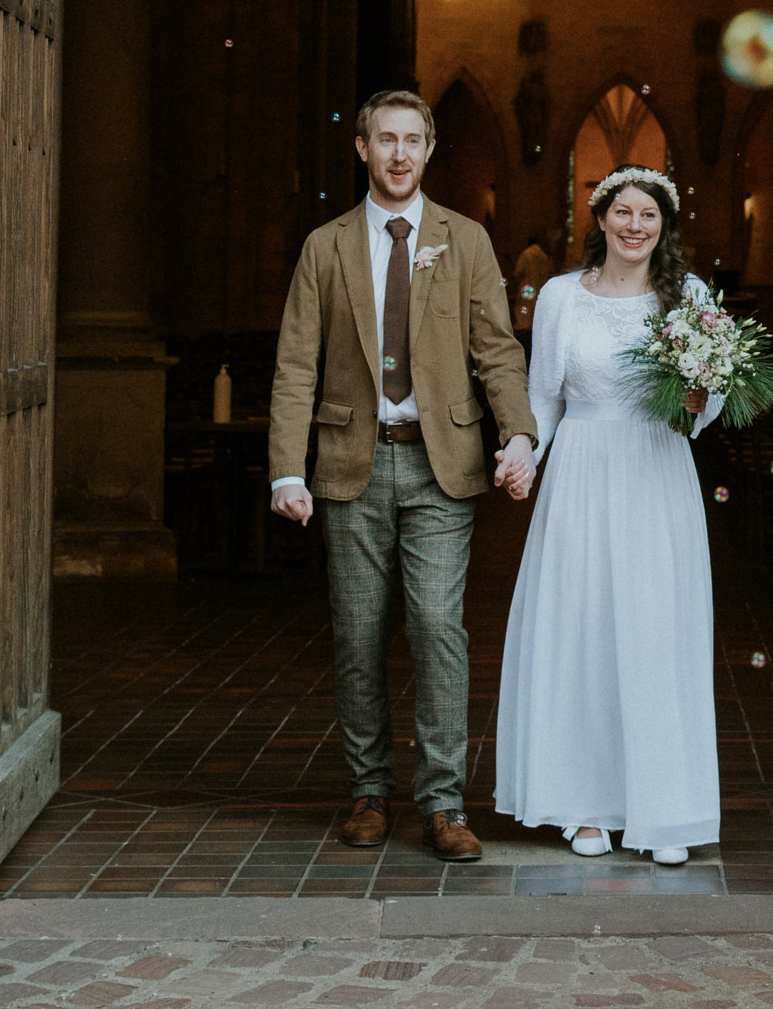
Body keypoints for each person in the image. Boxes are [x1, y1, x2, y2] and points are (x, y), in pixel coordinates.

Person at [268, 89, 537, 860]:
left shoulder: (467, 240)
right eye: (383, 139)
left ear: (428, 149)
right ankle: (367, 792)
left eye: (411, 140)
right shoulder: (326, 246)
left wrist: (517, 430)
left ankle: (445, 801)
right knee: (357, 636)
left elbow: (497, 348)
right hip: (350, 462)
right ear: (361, 148)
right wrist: (288, 466)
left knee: (436, 628)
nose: (397, 154)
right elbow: (295, 364)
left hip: (440, 464)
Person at [495, 166, 721, 865]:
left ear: (664, 226)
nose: (634, 225)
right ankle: (585, 803)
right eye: (621, 211)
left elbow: (704, 407)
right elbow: (545, 396)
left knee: (657, 634)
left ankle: (664, 808)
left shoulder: (689, 297)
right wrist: (523, 451)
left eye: (647, 215)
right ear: (599, 219)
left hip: (656, 473)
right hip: (583, 478)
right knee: (583, 629)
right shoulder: (562, 296)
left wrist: (697, 391)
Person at [510, 232, 554, 357]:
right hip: (540, 287)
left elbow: (518, 271)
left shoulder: (526, 253)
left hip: (527, 287)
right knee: (535, 313)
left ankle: (524, 336)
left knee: (524, 313)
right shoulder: (543, 255)